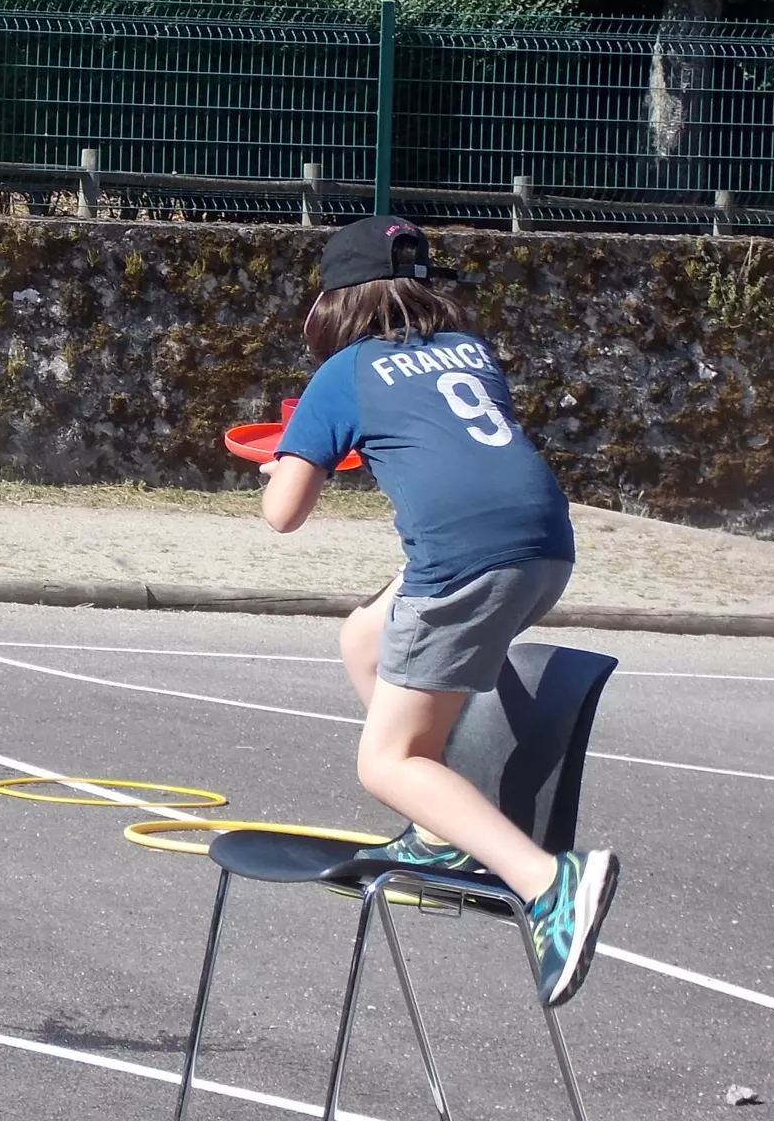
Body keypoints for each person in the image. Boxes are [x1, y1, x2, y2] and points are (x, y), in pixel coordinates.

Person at [260, 215, 618, 1008]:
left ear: (335, 304)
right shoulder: (473, 351)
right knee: (365, 635)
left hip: (464, 564)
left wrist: (285, 452)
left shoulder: (342, 373)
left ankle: (548, 883)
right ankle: (443, 834)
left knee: (385, 762)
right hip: (546, 546)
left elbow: (283, 513)